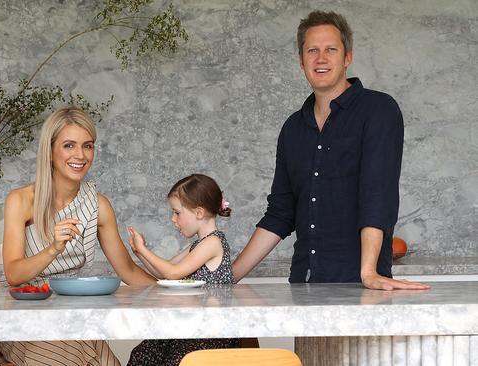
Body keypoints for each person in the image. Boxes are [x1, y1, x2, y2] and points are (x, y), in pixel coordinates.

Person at [232, 10, 430, 291]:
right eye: (312, 50)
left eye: (330, 49)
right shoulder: (293, 128)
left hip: (359, 287)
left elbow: (377, 196)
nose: (321, 58)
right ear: (301, 61)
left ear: (347, 57)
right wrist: (227, 278)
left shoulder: (378, 111)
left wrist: (369, 272)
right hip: (304, 285)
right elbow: (280, 213)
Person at [0, 106, 156, 366]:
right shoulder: (21, 200)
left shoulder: (98, 205)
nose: (80, 155)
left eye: (88, 146)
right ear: (50, 151)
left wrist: (177, 292)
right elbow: (14, 274)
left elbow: (128, 271)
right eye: (69, 145)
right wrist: (53, 248)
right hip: (26, 319)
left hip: (73, 318)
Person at [126, 173, 240, 366]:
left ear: (199, 213)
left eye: (177, 212)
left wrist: (145, 250)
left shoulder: (213, 242)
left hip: (211, 332)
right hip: (191, 327)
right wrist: (140, 252)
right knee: (142, 353)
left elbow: (173, 273)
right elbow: (164, 272)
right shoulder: (198, 245)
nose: (173, 219)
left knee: (175, 361)